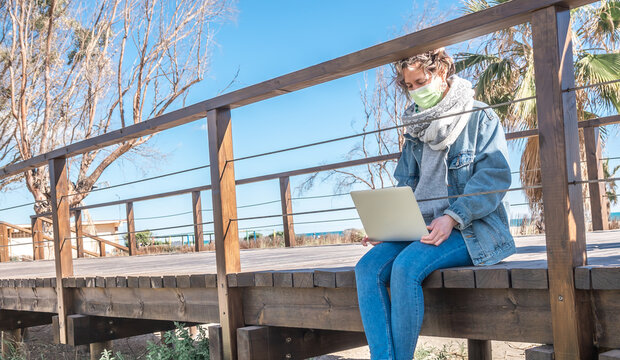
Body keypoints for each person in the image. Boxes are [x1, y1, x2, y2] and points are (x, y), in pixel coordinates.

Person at [354, 48, 515, 360]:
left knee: (405, 267)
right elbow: (405, 184)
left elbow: (494, 178)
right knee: (367, 268)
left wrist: (453, 217)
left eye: (420, 81)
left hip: (469, 230)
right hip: (420, 227)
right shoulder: (415, 129)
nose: (415, 90)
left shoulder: (479, 117)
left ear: (442, 71)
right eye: (409, 85)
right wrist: (389, 226)